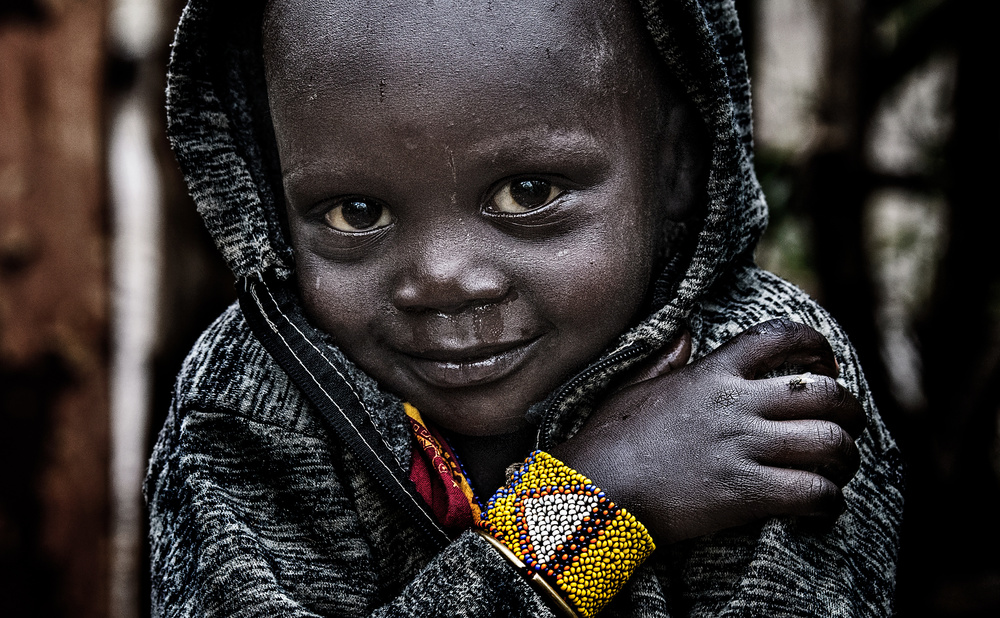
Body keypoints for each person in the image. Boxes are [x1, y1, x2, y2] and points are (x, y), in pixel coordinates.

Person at [146, 0, 903, 616]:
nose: (441, 279)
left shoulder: (764, 389)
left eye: (528, 193)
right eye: (354, 212)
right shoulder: (245, 406)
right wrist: (584, 511)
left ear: (676, 165)